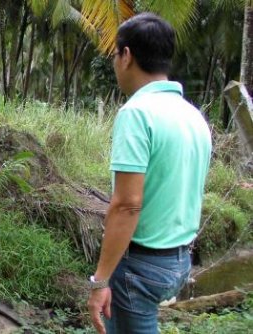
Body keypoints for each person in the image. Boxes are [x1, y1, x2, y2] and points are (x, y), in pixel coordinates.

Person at [86, 13, 212, 334]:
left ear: (127, 56)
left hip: (140, 267)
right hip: (180, 260)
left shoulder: (136, 114)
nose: (115, 61)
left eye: (115, 53)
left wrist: (100, 280)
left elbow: (127, 204)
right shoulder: (193, 116)